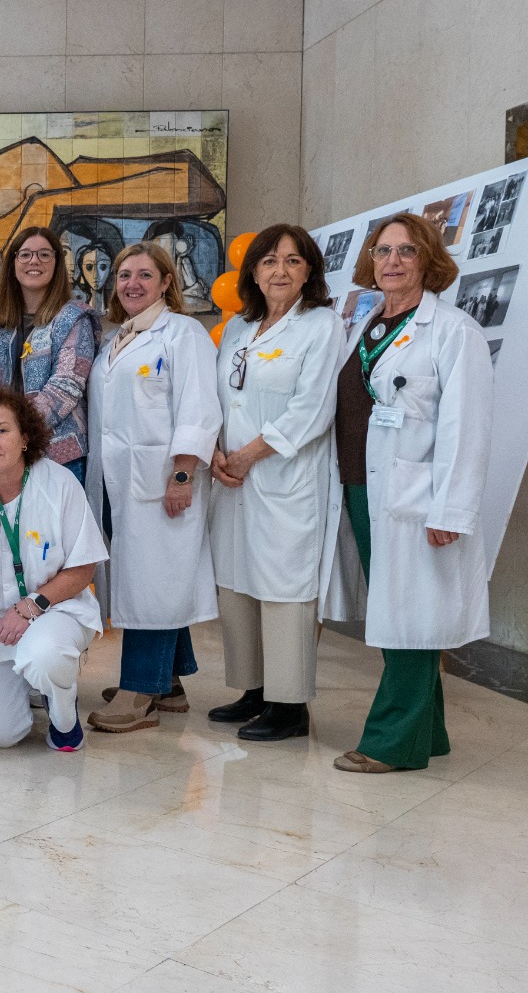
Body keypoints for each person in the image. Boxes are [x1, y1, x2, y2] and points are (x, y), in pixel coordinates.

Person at [323, 214, 492, 774]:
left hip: (417, 498)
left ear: (429, 260)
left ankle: (392, 742)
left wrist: (451, 510)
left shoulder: (453, 331)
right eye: (383, 250)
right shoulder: (366, 325)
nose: (392, 261)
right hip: (363, 488)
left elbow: (467, 429)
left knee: (413, 616)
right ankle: (430, 732)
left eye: (407, 251)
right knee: (401, 610)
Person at [208, 225, 339, 741]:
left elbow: (313, 409)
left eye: (292, 261)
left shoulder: (321, 324)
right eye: (268, 261)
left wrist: (247, 455)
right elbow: (220, 397)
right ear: (253, 272)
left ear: (309, 271)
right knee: (238, 581)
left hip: (285, 475)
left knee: (285, 588)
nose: (279, 271)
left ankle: (289, 705)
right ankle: (254, 689)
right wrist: (216, 452)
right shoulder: (240, 327)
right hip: (232, 479)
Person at [83, 242, 221, 733]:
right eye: (124, 275)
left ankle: (139, 689)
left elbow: (199, 409)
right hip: (115, 480)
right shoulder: (114, 339)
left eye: (144, 274)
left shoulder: (183, 333)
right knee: (150, 577)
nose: (132, 284)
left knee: (154, 582)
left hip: (162, 481)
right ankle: (170, 683)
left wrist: (183, 474)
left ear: (166, 282)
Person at [0, 387, 108, 752]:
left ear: (24, 437)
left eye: (1, 430)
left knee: (44, 656)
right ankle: (29, 683)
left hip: (55, 610)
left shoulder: (59, 483)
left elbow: (82, 569)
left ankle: (64, 715)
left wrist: (31, 606)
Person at [0, 226, 100, 483]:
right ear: (13, 262)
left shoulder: (75, 318)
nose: (34, 261)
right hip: (0, 453)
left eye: (44, 255)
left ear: (56, 263)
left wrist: (14, 431)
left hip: (60, 455)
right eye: (25, 254)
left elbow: (66, 386)